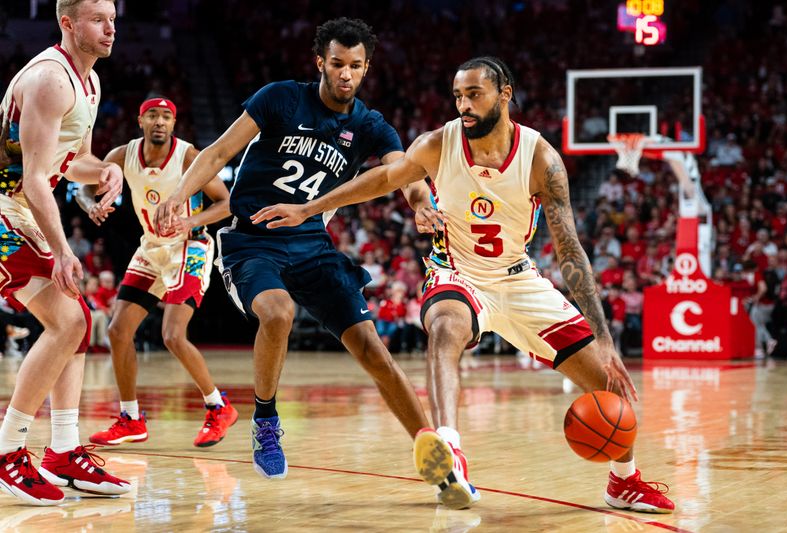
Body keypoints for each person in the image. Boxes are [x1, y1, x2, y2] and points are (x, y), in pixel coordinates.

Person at [258, 56, 675, 513]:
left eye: (474, 95)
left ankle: (623, 482)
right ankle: (450, 452)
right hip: (456, 271)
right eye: (458, 96)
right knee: (445, 329)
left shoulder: (540, 158)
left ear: (504, 94)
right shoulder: (440, 143)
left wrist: (604, 336)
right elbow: (382, 179)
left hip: (518, 278)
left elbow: (570, 251)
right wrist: (309, 207)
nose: (464, 106)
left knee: (611, 388)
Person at [153, 17, 430, 480]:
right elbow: (219, 152)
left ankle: (433, 449)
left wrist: (422, 202)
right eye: (337, 63)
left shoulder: (369, 125)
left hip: (311, 243)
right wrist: (179, 195)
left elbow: (402, 171)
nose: (346, 74)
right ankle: (265, 419)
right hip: (251, 240)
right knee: (278, 312)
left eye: (356, 66)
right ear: (320, 62)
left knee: (372, 349)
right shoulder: (281, 97)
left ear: (366, 69)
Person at [0, 0, 129, 505]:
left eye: (114, 18)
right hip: (6, 205)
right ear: (68, 23)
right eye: (98, 18)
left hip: (20, 206)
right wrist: (61, 250)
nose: (110, 27)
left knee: (75, 317)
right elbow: (32, 178)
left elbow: (66, 161)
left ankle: (63, 451)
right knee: (70, 320)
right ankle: (10, 451)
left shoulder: (90, 81)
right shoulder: (52, 78)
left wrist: (102, 172)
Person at [77, 97, 237, 448]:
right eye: (153, 115)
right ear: (141, 121)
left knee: (173, 336)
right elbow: (83, 188)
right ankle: (131, 419)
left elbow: (227, 203)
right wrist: (92, 207)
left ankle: (218, 407)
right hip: (151, 247)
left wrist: (193, 219)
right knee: (118, 331)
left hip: (190, 246)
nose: (160, 121)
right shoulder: (122, 155)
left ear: (174, 124)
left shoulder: (189, 156)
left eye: (166, 116)